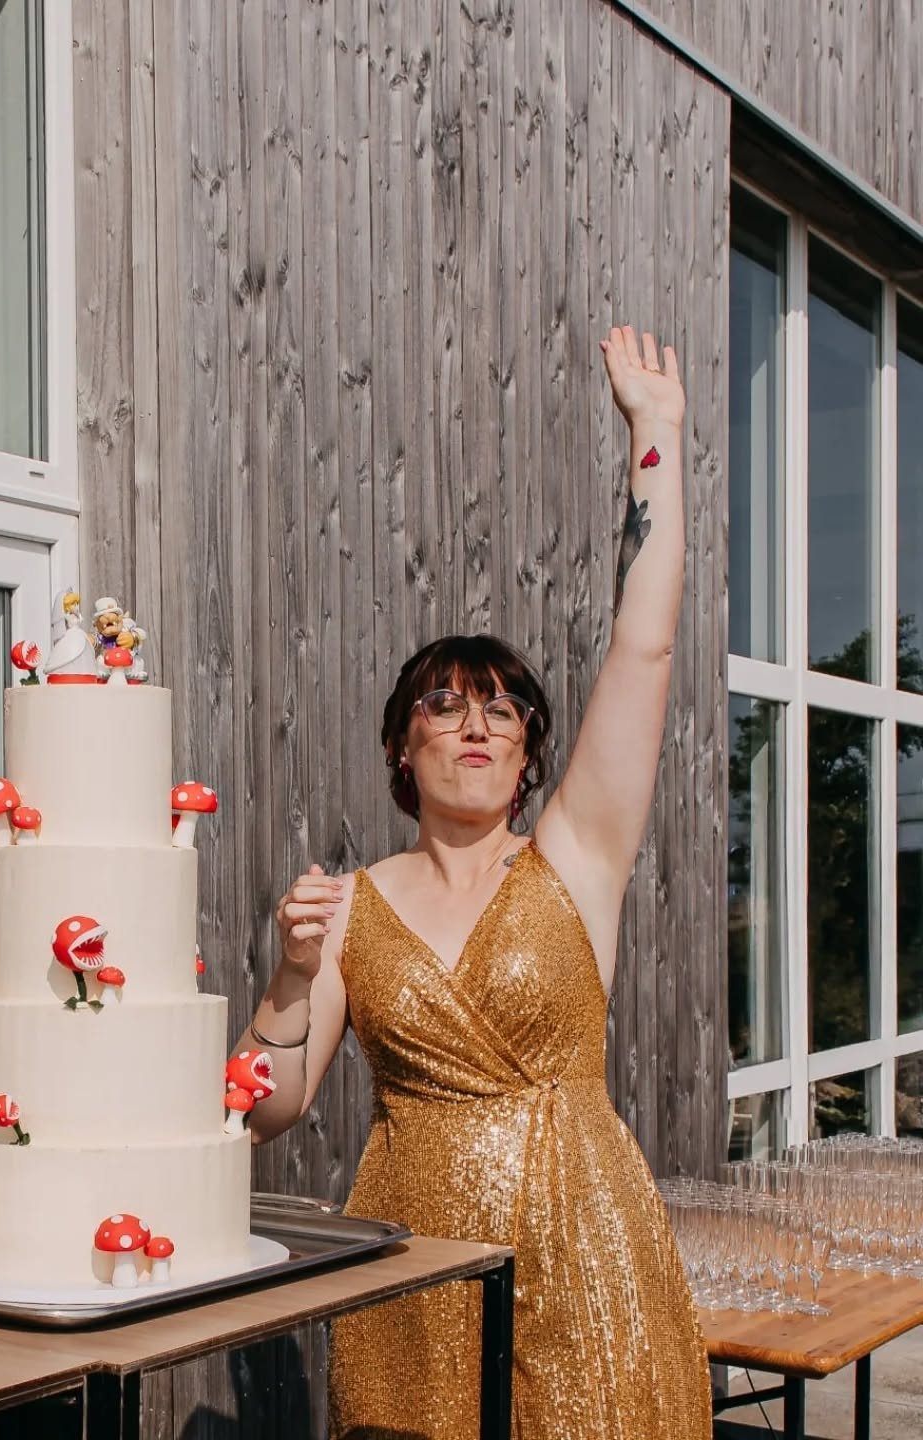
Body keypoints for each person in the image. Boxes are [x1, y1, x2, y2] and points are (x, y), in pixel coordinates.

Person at [238, 327, 712, 1438]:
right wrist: (294, 974)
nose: (477, 726)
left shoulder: (577, 859)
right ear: (402, 748)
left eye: (502, 710)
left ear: (531, 753)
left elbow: (643, 649)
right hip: (414, 1261)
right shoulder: (351, 901)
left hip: (586, 1240)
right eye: (446, 706)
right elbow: (271, 1110)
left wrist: (658, 435)